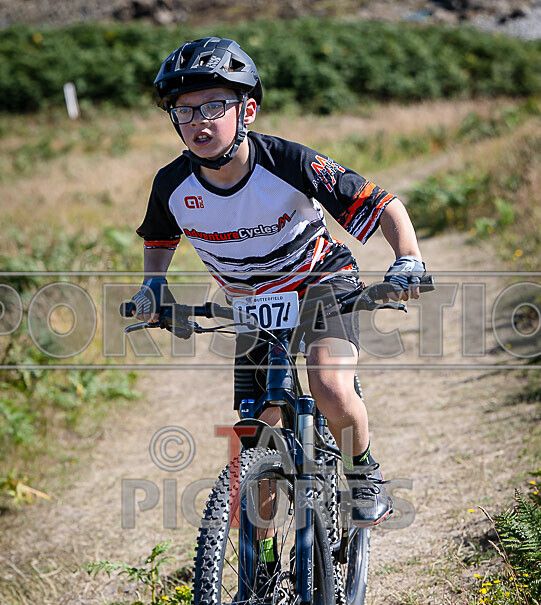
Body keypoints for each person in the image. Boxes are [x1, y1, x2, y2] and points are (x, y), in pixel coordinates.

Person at [131, 36, 425, 534]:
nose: (199, 120)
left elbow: (382, 204)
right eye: (184, 111)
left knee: (329, 386)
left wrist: (408, 259)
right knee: (260, 441)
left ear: (247, 109)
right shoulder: (171, 183)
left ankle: (363, 474)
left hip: (320, 282)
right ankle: (259, 572)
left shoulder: (288, 162)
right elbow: (159, 236)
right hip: (252, 303)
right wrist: (153, 287)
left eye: (214, 106)